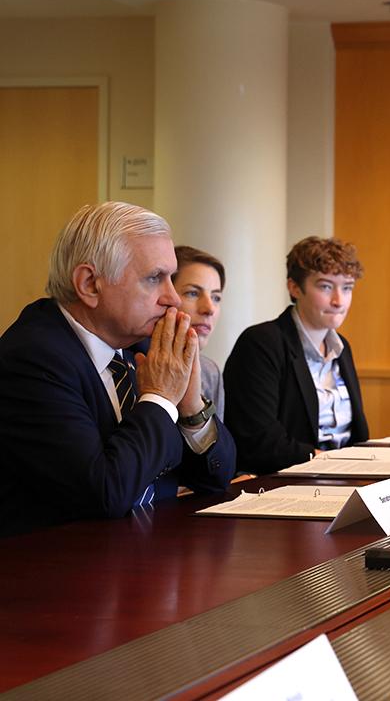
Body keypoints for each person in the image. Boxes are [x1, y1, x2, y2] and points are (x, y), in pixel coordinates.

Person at [0, 202, 236, 537]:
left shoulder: (141, 345)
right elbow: (105, 493)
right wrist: (159, 398)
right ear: (90, 285)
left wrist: (191, 407)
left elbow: (216, 477)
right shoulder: (32, 359)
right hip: (56, 570)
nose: (172, 298)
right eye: (155, 278)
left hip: (146, 555)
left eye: (171, 278)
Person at [224, 236, 369, 474]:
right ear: (294, 287)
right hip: (284, 482)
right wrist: (333, 463)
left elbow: (356, 435)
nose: (338, 300)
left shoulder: (341, 347)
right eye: (325, 286)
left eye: (347, 288)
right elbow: (258, 441)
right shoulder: (261, 343)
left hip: (341, 475)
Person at [173, 245, 226, 418]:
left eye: (216, 297)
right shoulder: (132, 361)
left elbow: (219, 444)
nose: (209, 308)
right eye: (193, 293)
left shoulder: (210, 372)